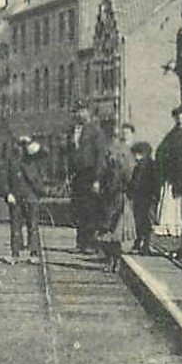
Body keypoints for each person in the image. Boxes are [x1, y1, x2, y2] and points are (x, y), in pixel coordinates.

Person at [94, 122, 138, 270]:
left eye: (126, 133)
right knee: (107, 226)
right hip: (108, 190)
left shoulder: (129, 152)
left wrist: (128, 188)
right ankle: (109, 259)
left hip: (120, 192)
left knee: (117, 227)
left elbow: (131, 173)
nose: (123, 135)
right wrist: (99, 181)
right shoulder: (111, 149)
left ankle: (116, 260)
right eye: (121, 133)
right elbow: (102, 167)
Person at [66, 102, 106, 252]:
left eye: (82, 111)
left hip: (90, 173)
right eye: (77, 112)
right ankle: (80, 242)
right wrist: (68, 174)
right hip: (77, 174)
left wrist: (97, 178)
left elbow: (100, 156)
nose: (79, 114)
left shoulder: (96, 131)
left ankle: (90, 243)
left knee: (90, 209)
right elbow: (69, 153)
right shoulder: (73, 130)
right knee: (78, 208)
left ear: (88, 113)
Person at [155, 105, 182, 245]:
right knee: (170, 200)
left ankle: (180, 228)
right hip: (171, 173)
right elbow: (162, 149)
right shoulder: (172, 134)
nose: (181, 121)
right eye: (179, 118)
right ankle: (169, 226)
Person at [0, 133, 46, 264]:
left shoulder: (34, 157)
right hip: (16, 195)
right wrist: (7, 193)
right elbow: (4, 176)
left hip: (31, 195)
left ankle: (34, 253)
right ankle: (15, 253)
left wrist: (33, 145)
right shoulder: (11, 159)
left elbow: (44, 154)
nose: (22, 147)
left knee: (33, 226)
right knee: (15, 226)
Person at [127, 140, 160, 256]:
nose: (135, 157)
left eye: (136, 154)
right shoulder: (150, 165)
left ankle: (142, 244)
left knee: (142, 222)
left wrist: (130, 191)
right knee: (144, 222)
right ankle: (143, 244)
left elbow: (135, 182)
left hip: (143, 197)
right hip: (146, 197)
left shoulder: (142, 166)